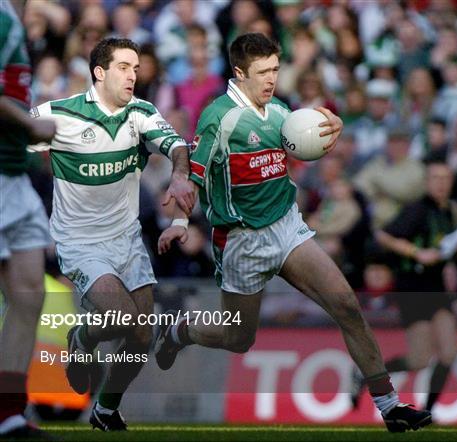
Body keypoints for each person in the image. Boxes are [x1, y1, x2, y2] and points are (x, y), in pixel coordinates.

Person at [156, 33, 431, 433]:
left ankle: (389, 406)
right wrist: (181, 222)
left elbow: (310, 135)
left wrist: (329, 127)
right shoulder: (220, 117)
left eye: (276, 70)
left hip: (286, 229)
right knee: (238, 338)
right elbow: (192, 177)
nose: (271, 79)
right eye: (263, 72)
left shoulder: (281, 111)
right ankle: (179, 330)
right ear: (239, 73)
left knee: (347, 306)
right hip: (241, 241)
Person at [30, 37, 194, 432]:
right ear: (99, 72)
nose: (133, 75)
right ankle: (82, 341)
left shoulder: (141, 113)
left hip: (127, 240)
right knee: (120, 318)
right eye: (123, 67)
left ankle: (106, 409)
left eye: (136, 68)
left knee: (142, 334)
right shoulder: (60, 114)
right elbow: (12, 134)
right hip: (80, 243)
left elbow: (175, 146)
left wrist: (180, 173)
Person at [351, 161, 457, 414]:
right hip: (413, 286)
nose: (441, 183)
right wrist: (416, 252)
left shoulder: (448, 212)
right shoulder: (417, 209)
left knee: (449, 352)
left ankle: (429, 410)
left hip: (436, 287)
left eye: (446, 178)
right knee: (419, 360)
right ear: (426, 182)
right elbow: (384, 235)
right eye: (436, 177)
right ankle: (368, 375)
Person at [0, 1, 56, 439]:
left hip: (15, 177)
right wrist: (31, 125)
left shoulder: (15, 22)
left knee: (29, 293)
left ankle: (9, 414)